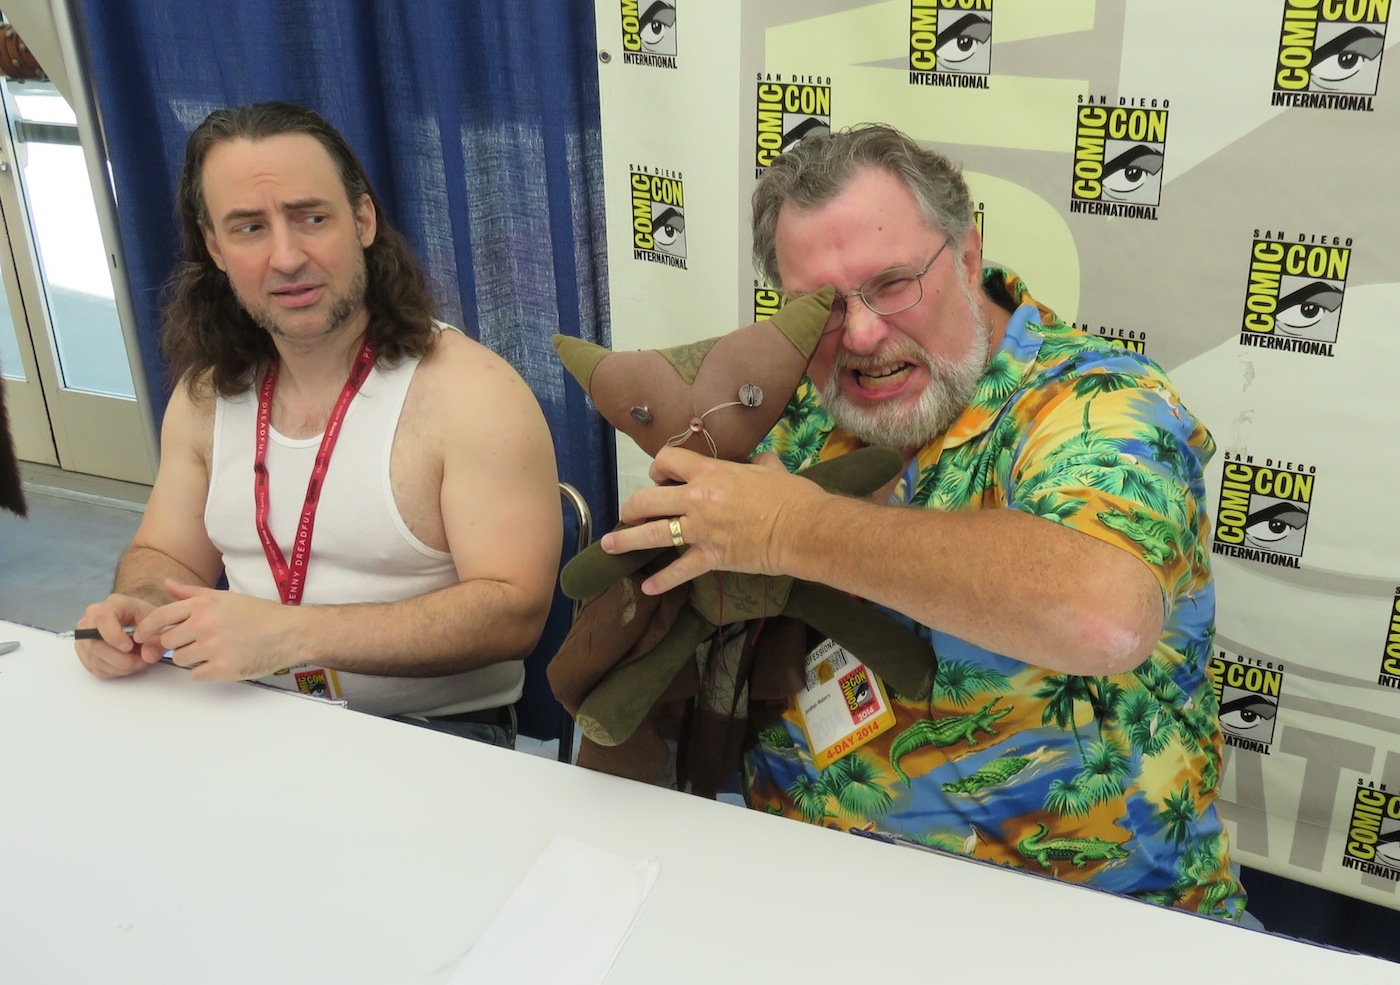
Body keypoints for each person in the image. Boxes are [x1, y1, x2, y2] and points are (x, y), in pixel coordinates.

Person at [601, 123, 1244, 918]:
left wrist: (791, 530)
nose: (862, 334)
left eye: (895, 282)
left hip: (1084, 920)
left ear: (967, 257)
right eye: (820, 305)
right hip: (801, 893)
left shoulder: (1099, 401)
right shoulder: (786, 408)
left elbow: (1103, 615)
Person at [75, 102, 561, 746]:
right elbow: (166, 555)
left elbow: (513, 614)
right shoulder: (205, 395)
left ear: (363, 220)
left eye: (311, 218)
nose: (286, 257)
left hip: (434, 735)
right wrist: (140, 606)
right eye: (249, 228)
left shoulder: (472, 394)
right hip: (247, 711)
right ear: (215, 247)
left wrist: (289, 635)